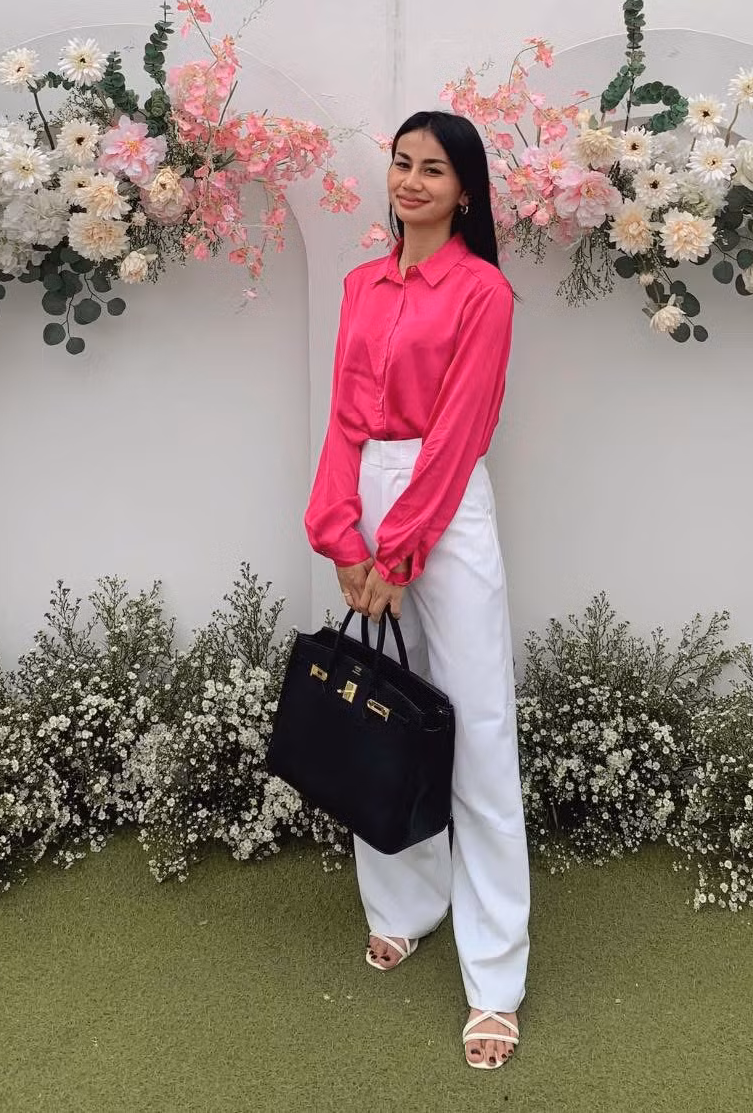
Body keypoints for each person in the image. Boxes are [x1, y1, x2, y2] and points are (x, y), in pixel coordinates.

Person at [304, 110, 530, 1071]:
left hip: (447, 501)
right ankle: (404, 903)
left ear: (465, 189)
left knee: (476, 728)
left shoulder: (484, 292)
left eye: (433, 169)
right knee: (382, 710)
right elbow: (341, 419)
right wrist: (339, 535)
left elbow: (462, 428)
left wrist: (398, 554)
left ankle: (496, 977)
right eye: (401, 163)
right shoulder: (362, 285)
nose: (411, 181)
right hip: (367, 496)